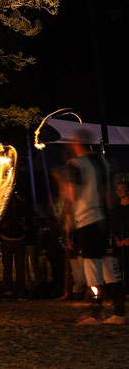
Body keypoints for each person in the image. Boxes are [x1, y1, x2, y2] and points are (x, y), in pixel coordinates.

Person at [65, 130, 125, 325]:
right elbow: (108, 193)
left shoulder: (75, 164)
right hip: (103, 219)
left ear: (77, 144)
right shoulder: (103, 163)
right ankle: (119, 311)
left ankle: (95, 313)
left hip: (87, 219)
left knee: (92, 266)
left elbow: (73, 195)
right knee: (108, 266)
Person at [0, 193, 28, 299]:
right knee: (7, 266)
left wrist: (25, 227)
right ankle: (8, 290)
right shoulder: (2, 203)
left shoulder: (21, 202)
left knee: (20, 267)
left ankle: (20, 291)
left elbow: (26, 215)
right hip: (7, 238)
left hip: (19, 238)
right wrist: (2, 228)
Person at [111, 181, 129, 294]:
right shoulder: (115, 207)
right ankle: (120, 291)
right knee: (119, 265)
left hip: (127, 240)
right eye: (117, 189)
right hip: (118, 241)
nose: (119, 191)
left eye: (121, 189)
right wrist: (116, 239)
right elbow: (111, 225)